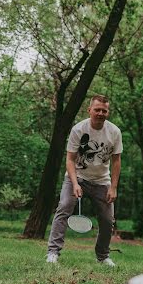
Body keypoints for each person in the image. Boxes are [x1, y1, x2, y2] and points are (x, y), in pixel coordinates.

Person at [46, 95, 123, 267]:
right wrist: (74, 184)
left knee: (107, 219)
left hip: (102, 181)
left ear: (108, 112)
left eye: (104, 110)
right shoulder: (78, 130)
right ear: (89, 110)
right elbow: (70, 160)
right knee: (64, 206)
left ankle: (103, 256)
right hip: (77, 177)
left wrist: (113, 187)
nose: (100, 113)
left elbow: (116, 161)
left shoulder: (114, 132)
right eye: (97, 109)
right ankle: (53, 252)